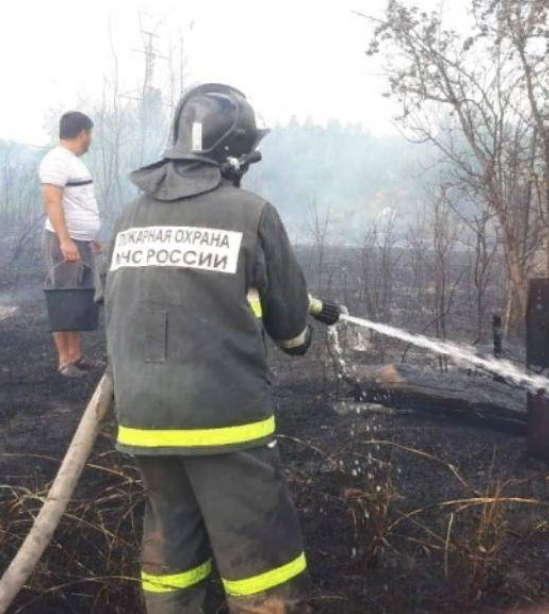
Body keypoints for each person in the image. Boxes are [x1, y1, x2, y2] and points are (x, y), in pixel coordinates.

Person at [102, 83, 340, 614]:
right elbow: (292, 331)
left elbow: (121, 297)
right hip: (224, 422)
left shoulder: (128, 218)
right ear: (233, 155)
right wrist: (294, 328)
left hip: (143, 423)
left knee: (173, 556)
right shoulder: (251, 213)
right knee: (263, 563)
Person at [39, 111, 103, 378]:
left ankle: (76, 356)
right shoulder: (56, 160)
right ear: (83, 133)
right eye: (90, 135)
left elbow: (77, 202)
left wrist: (88, 238)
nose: (90, 140)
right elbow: (52, 200)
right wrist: (65, 240)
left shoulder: (71, 161)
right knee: (64, 297)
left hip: (80, 240)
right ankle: (65, 361)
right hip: (64, 241)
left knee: (76, 298)